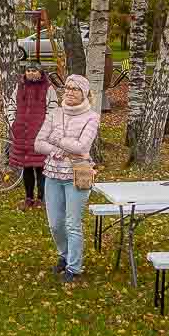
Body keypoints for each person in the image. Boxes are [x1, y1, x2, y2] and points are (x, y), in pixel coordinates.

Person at [39, 73, 101, 281]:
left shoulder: (92, 117)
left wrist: (56, 139)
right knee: (55, 223)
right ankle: (64, 255)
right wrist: (62, 150)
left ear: (84, 93)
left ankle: (74, 267)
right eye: (68, 87)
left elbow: (83, 147)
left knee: (72, 223)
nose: (70, 92)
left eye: (76, 89)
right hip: (52, 173)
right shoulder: (54, 113)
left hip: (80, 171)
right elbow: (39, 143)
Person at [11, 60, 51, 210]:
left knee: (40, 167)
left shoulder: (48, 88)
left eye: (34, 70)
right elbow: (11, 105)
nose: (31, 73)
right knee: (26, 167)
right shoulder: (19, 87)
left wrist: (45, 128)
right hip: (22, 133)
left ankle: (41, 198)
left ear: (40, 73)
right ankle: (28, 197)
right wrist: (13, 122)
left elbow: (52, 108)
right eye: (28, 71)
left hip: (40, 135)